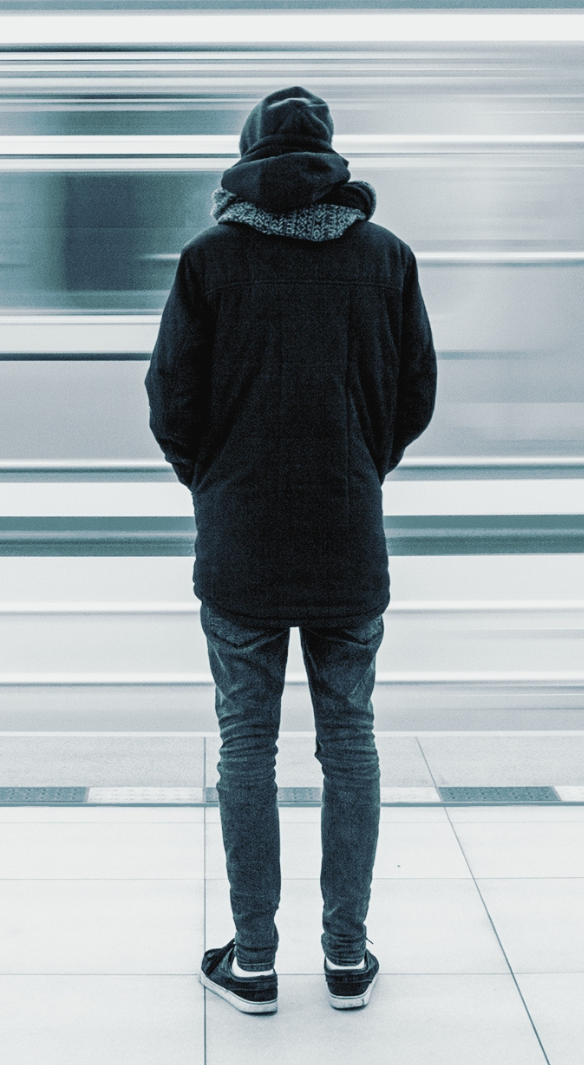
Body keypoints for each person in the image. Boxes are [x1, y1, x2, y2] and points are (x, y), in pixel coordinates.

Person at [147, 87, 436, 1015]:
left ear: (246, 158)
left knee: (248, 746)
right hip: (348, 533)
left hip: (240, 545)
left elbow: (169, 400)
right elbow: (416, 394)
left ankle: (257, 962)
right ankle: (346, 958)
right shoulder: (386, 258)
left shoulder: (209, 260)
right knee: (350, 742)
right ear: (331, 160)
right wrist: (361, 461)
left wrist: (216, 479)